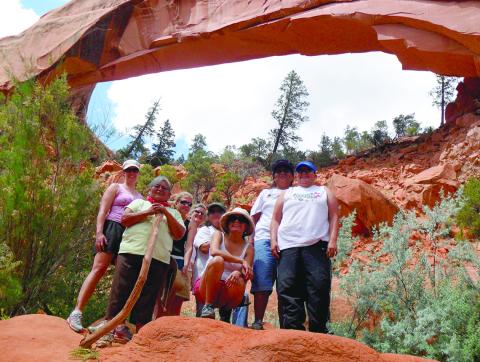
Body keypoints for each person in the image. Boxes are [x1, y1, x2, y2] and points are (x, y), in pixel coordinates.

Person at [100, 176, 185, 344]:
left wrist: (165, 212)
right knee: (121, 289)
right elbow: (124, 219)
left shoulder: (174, 213)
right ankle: (112, 329)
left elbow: (179, 234)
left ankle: (141, 333)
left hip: (159, 258)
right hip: (131, 252)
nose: (160, 189)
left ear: (169, 195)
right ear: (150, 189)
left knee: (149, 295)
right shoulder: (138, 203)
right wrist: (148, 212)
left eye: (164, 188)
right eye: (156, 186)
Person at [67, 159, 143, 332]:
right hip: (112, 228)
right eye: (129, 169)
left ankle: (113, 321)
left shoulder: (140, 197)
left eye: (135, 170)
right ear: (123, 171)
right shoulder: (115, 188)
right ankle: (76, 312)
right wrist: (99, 232)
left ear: (138, 173)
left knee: (122, 278)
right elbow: (103, 210)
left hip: (128, 235)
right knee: (99, 269)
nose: (131, 173)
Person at [271, 160, 339, 333]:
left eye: (308, 171)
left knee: (318, 287)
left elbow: (334, 216)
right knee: (288, 287)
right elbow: (276, 218)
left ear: (315, 175)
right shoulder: (288, 193)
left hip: (316, 246)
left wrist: (332, 240)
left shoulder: (323, 191)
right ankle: (293, 332)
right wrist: (273, 240)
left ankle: (319, 330)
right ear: (296, 176)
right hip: (288, 246)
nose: (304, 174)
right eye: (300, 172)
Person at [250, 159, 294, 330]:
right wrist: (250, 240)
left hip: (289, 241)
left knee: (287, 283)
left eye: (286, 170)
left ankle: (286, 326)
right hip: (264, 238)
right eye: (278, 171)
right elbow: (253, 217)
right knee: (262, 279)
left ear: (292, 177)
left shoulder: (296, 193)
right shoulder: (265, 194)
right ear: (274, 177)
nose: (282, 173)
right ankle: (258, 321)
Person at [194, 207, 254, 319]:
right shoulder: (218, 234)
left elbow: (247, 270)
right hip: (206, 287)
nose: (236, 221)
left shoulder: (249, 248)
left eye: (241, 220)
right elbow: (214, 251)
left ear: (246, 226)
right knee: (218, 260)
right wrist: (241, 260)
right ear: (227, 223)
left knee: (239, 278)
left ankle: (226, 312)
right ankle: (208, 306)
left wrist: (238, 272)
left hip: (229, 289)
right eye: (233, 218)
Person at [190, 203, 226, 317]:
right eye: (212, 212)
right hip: (203, 279)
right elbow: (204, 247)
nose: (216, 214)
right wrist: (219, 240)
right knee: (203, 315)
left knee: (226, 314)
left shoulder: (229, 234)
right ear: (208, 217)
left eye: (219, 212)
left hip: (223, 278)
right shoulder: (205, 230)